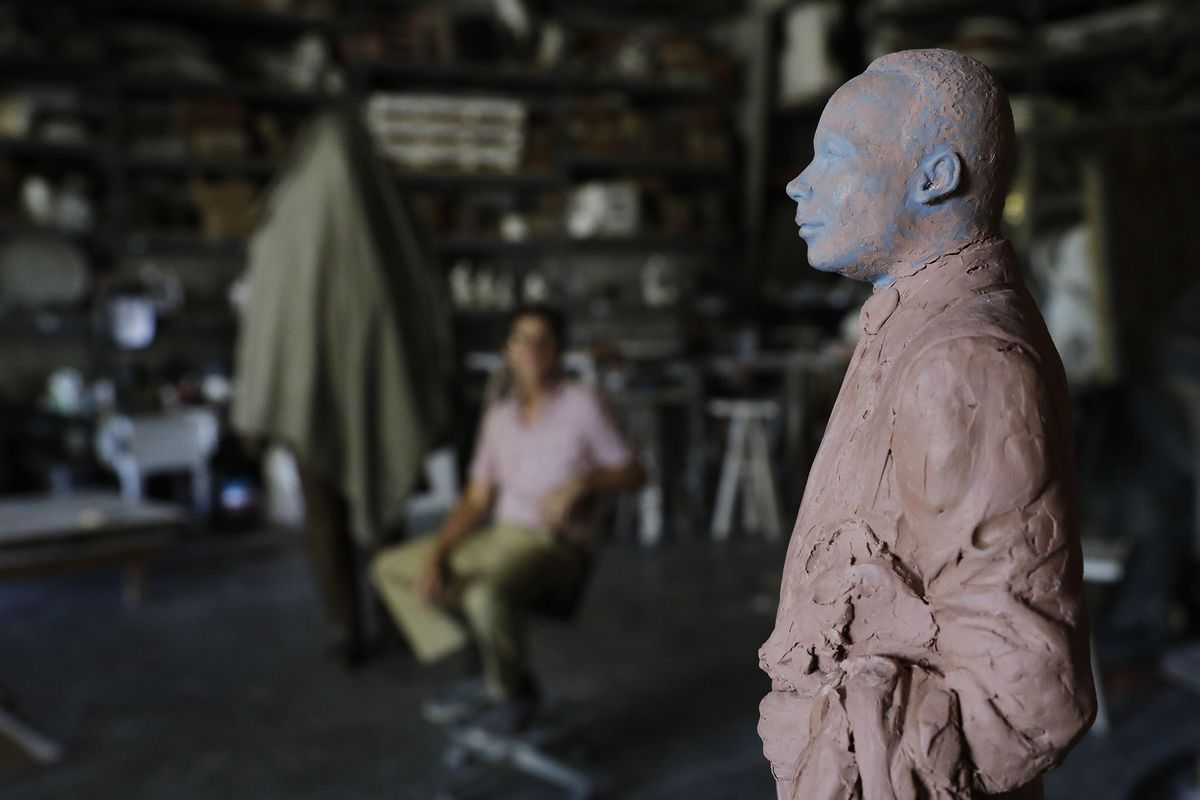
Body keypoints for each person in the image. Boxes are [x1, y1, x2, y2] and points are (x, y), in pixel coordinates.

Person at [757, 50, 1095, 799]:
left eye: (833, 159)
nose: (798, 184)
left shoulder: (964, 360)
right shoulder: (910, 324)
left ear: (936, 179)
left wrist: (859, 750)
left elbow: (1029, 696)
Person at [371, 305, 644, 731]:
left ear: (557, 351)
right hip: (500, 536)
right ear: (508, 350)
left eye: (542, 341)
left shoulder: (583, 404)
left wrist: (584, 483)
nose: (531, 350)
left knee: (484, 595)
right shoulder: (499, 416)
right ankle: (480, 672)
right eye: (522, 339)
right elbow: (476, 498)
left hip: (555, 546)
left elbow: (634, 472)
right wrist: (437, 554)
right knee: (389, 568)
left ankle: (512, 694)